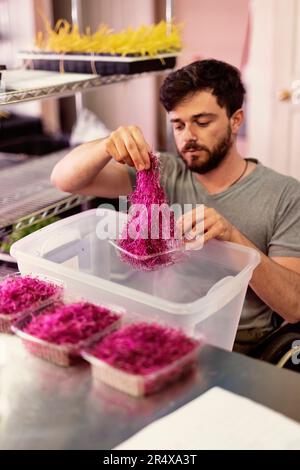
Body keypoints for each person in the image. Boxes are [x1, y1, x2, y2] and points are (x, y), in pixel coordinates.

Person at [51, 59, 300, 354]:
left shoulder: (284, 194)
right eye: (178, 125)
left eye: (202, 122)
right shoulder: (162, 173)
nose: (188, 136)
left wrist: (233, 238)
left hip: (239, 347)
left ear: (236, 120)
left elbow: (294, 306)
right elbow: (64, 179)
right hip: (164, 330)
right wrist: (106, 145)